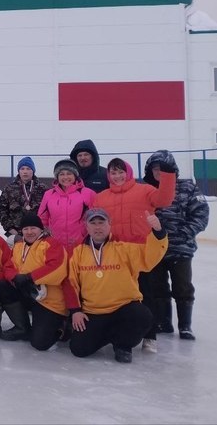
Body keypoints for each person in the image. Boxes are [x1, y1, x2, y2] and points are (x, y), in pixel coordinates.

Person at [92, 156, 177, 353]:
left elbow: (164, 199)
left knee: (146, 292)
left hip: (141, 251)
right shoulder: (101, 197)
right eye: (113, 173)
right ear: (109, 175)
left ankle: (150, 335)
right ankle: (121, 331)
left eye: (121, 172)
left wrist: (168, 175)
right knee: (119, 294)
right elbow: (94, 222)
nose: (118, 176)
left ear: (128, 172)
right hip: (115, 253)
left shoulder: (144, 190)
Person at [68, 208, 167, 363]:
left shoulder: (124, 248)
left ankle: (122, 345)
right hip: (94, 311)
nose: (97, 227)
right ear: (86, 227)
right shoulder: (78, 252)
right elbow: (71, 282)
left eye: (101, 222)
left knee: (142, 316)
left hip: (123, 308)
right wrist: (75, 311)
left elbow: (149, 257)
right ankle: (110, 334)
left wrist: (158, 232)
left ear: (109, 225)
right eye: (93, 223)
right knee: (79, 349)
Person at [143, 150, 208, 341]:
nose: (158, 172)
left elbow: (201, 214)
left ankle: (185, 326)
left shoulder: (188, 187)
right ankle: (164, 322)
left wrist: (184, 234)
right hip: (154, 250)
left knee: (183, 287)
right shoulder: (147, 190)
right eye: (155, 168)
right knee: (158, 287)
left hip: (181, 248)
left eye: (162, 169)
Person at [5, 213, 69, 349]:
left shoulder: (51, 244)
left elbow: (57, 268)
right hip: (28, 293)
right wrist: (14, 277)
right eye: (25, 229)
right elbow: (8, 266)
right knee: (1, 286)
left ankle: (63, 327)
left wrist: (29, 277)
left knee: (39, 343)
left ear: (41, 229)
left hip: (49, 300)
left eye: (33, 228)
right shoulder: (18, 245)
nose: (29, 232)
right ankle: (22, 328)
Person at [38, 159, 97, 252]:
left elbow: (96, 218)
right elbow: (42, 219)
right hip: (56, 245)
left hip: (81, 245)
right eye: (61, 174)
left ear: (75, 175)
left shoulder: (87, 193)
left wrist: (86, 234)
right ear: (57, 177)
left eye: (69, 173)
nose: (65, 177)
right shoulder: (49, 194)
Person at [0, 156, 48, 244]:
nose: (25, 172)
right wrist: (10, 229)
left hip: (38, 234)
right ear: (18, 171)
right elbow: (2, 210)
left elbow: (49, 210)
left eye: (28, 169)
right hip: (16, 234)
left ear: (33, 171)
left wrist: (43, 229)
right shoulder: (9, 188)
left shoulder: (43, 189)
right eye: (22, 169)